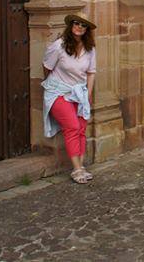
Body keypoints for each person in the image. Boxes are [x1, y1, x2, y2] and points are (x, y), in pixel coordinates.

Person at [42, 13, 97, 184]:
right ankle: (77, 169)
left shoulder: (90, 49)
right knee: (72, 127)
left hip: (79, 93)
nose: (79, 26)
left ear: (87, 29)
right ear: (70, 25)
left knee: (81, 127)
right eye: (76, 23)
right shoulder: (59, 46)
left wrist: (87, 95)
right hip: (58, 92)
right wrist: (55, 84)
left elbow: (91, 73)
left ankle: (80, 165)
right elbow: (46, 67)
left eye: (83, 25)